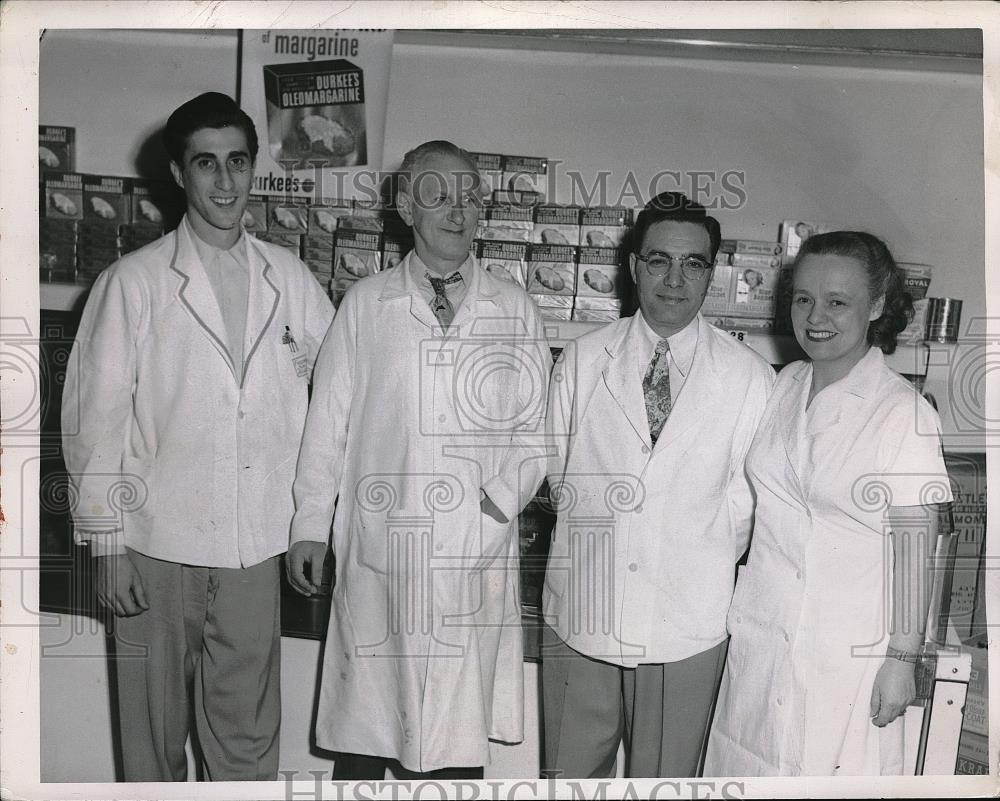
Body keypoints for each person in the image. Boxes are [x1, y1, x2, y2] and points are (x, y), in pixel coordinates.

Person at [61, 92, 334, 781]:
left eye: (237, 161)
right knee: (151, 742)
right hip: (153, 542)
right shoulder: (133, 282)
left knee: (246, 741)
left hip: (252, 545)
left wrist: (311, 522)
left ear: (254, 169)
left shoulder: (291, 279)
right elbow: (95, 419)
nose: (224, 181)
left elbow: (334, 406)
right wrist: (106, 541)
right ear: (179, 174)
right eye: (205, 163)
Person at [286, 140, 551, 779]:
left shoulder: (513, 308)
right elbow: (328, 424)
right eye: (437, 194)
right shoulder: (364, 305)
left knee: (453, 748)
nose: (456, 210)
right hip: (381, 541)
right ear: (406, 206)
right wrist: (308, 526)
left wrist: (492, 508)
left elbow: (539, 432)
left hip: (473, 544)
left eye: (469, 196)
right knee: (369, 734)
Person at [540, 192, 775, 778]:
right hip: (582, 615)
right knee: (568, 780)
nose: (675, 278)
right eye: (659, 260)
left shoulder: (749, 377)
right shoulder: (582, 359)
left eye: (693, 263)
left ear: (711, 273)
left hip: (687, 623)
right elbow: (555, 473)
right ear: (633, 266)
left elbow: (744, 504)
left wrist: (688, 548)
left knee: (665, 784)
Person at [704, 231, 952, 776]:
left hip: (847, 658)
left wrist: (902, 660)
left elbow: (915, 549)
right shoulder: (785, 383)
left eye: (838, 302)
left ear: (878, 305)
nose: (816, 316)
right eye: (803, 298)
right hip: (762, 638)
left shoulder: (901, 414)